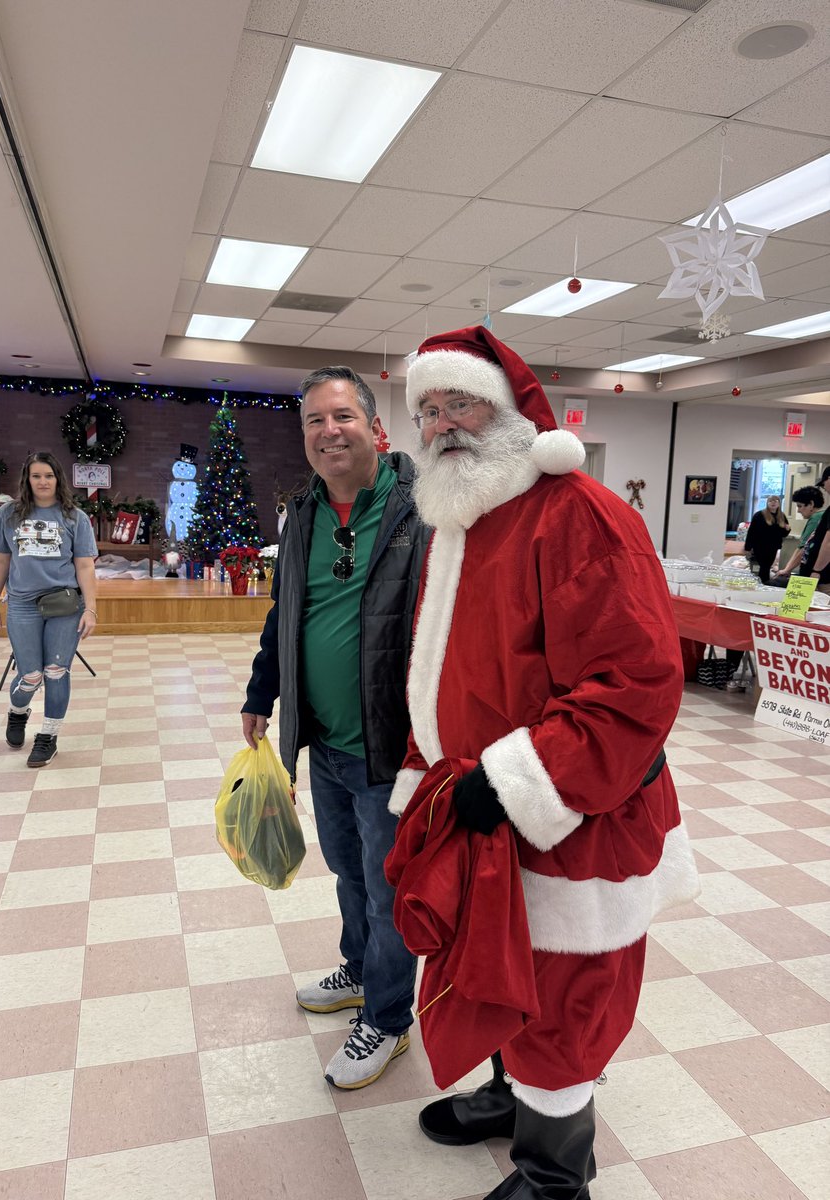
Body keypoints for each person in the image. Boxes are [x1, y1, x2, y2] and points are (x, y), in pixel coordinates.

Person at [388, 327, 699, 1200]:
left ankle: (556, 1176)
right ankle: (509, 1096)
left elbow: (635, 683)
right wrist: (429, 774)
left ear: (509, 411)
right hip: (481, 805)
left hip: (572, 812)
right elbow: (439, 671)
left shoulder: (580, 514)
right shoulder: (463, 521)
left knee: (565, 991)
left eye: (460, 402)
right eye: (427, 410)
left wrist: (514, 780)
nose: (443, 425)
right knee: (496, 962)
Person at [242, 366, 430, 1089]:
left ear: (375, 427)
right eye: (314, 420)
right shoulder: (303, 515)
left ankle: (387, 1018)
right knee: (348, 871)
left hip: (391, 746)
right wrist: (262, 692)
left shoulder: (422, 512)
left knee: (388, 889)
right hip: (323, 743)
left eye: (343, 416)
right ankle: (359, 970)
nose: (329, 431)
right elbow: (284, 612)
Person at [0, 451, 98, 767]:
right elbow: (0, 561)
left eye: (49, 475)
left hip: (65, 603)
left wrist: (90, 609)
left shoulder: (75, 517)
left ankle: (48, 737)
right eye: (36, 476)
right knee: (31, 675)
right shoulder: (8, 514)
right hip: (22, 604)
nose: (43, 481)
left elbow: (85, 566)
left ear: (58, 479)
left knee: (56, 671)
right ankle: (18, 711)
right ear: (28, 479)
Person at [771, 485, 824, 583]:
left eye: (800, 506)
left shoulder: (816, 518)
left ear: (811, 504)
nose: (798, 510)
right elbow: (801, 547)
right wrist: (787, 568)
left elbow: (804, 548)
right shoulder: (821, 516)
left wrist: (787, 569)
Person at [744, 495, 790, 583]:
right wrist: (748, 548)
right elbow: (751, 532)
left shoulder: (781, 516)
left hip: (773, 547)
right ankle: (759, 584)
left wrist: (787, 530)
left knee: (767, 567)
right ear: (767, 503)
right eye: (770, 501)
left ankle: (764, 584)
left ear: (779, 503)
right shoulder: (759, 515)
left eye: (775, 501)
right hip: (759, 546)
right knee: (759, 568)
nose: (773, 503)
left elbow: (783, 534)